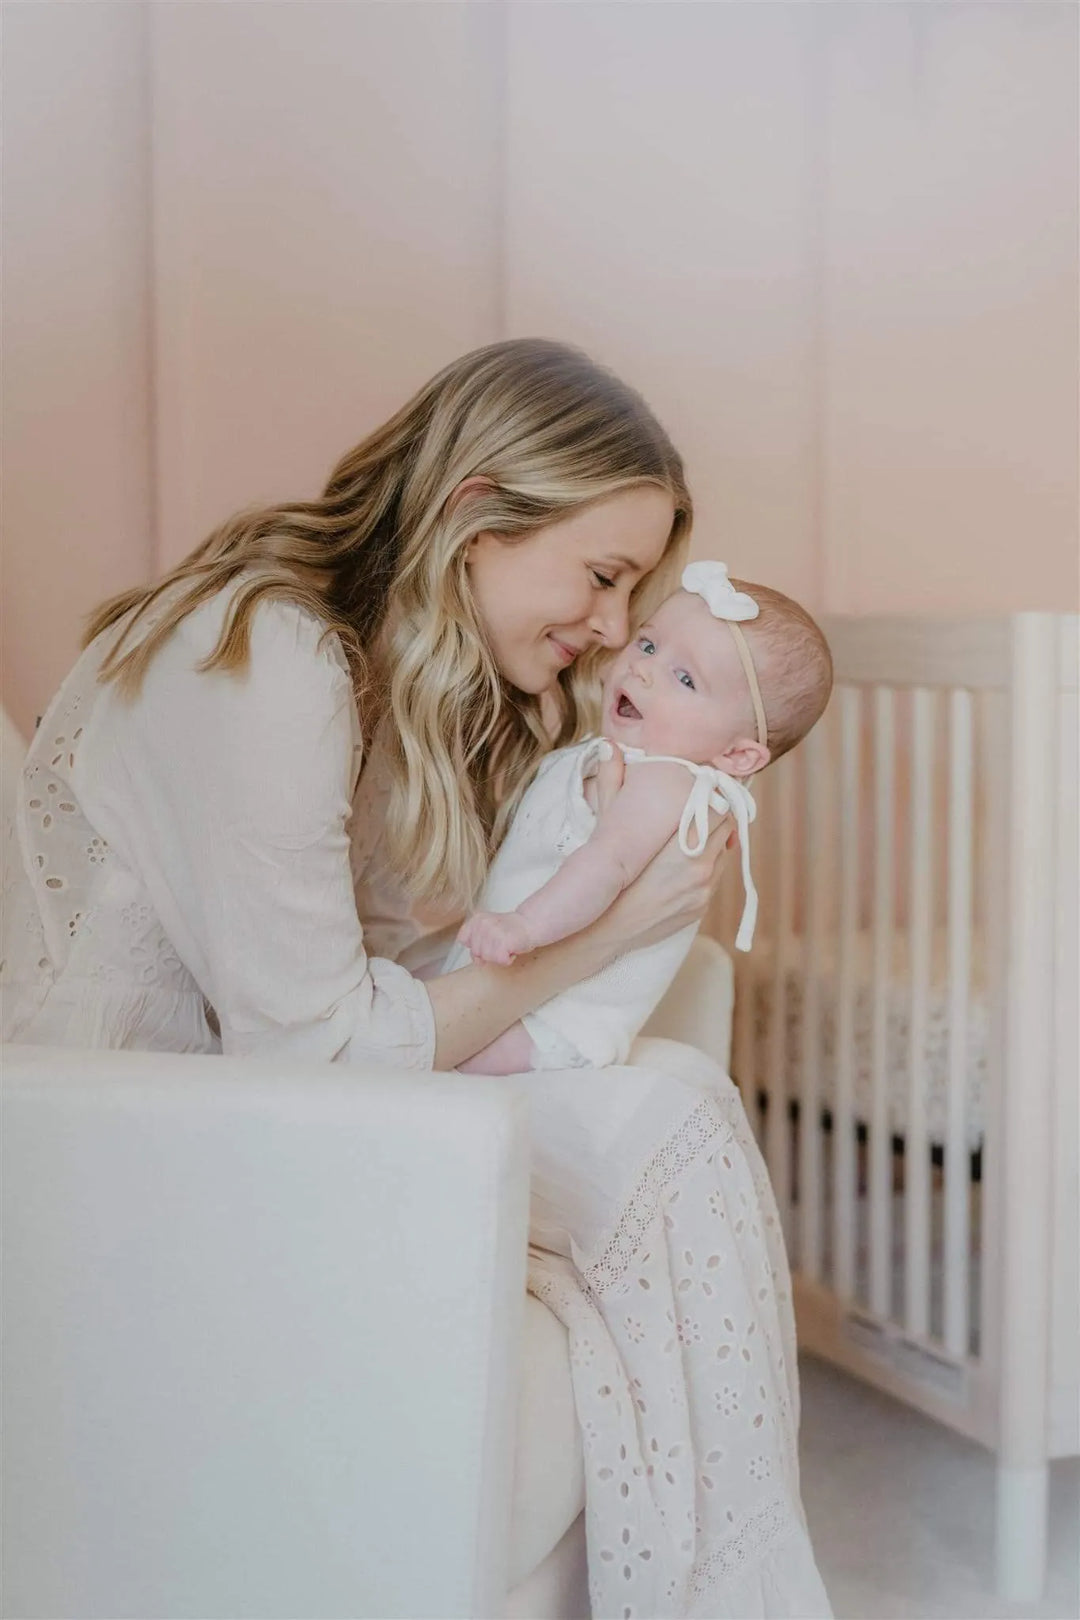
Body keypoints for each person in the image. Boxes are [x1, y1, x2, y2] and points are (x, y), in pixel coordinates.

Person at [1, 339, 830, 1617]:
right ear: (478, 510)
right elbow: (318, 1054)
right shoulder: (265, 651)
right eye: (605, 578)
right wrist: (602, 940)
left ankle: (724, 1582)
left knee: (667, 1101)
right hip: (127, 1139)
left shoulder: (431, 684)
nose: (616, 630)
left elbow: (398, 975)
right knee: (657, 1115)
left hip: (254, 1105)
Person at [447, 560, 833, 1077]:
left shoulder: (670, 783)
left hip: (554, 1022)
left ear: (738, 757)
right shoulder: (617, 757)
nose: (642, 668)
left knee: (437, 1075)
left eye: (685, 678)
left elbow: (607, 865)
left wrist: (522, 926)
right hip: (513, 990)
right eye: (649, 645)